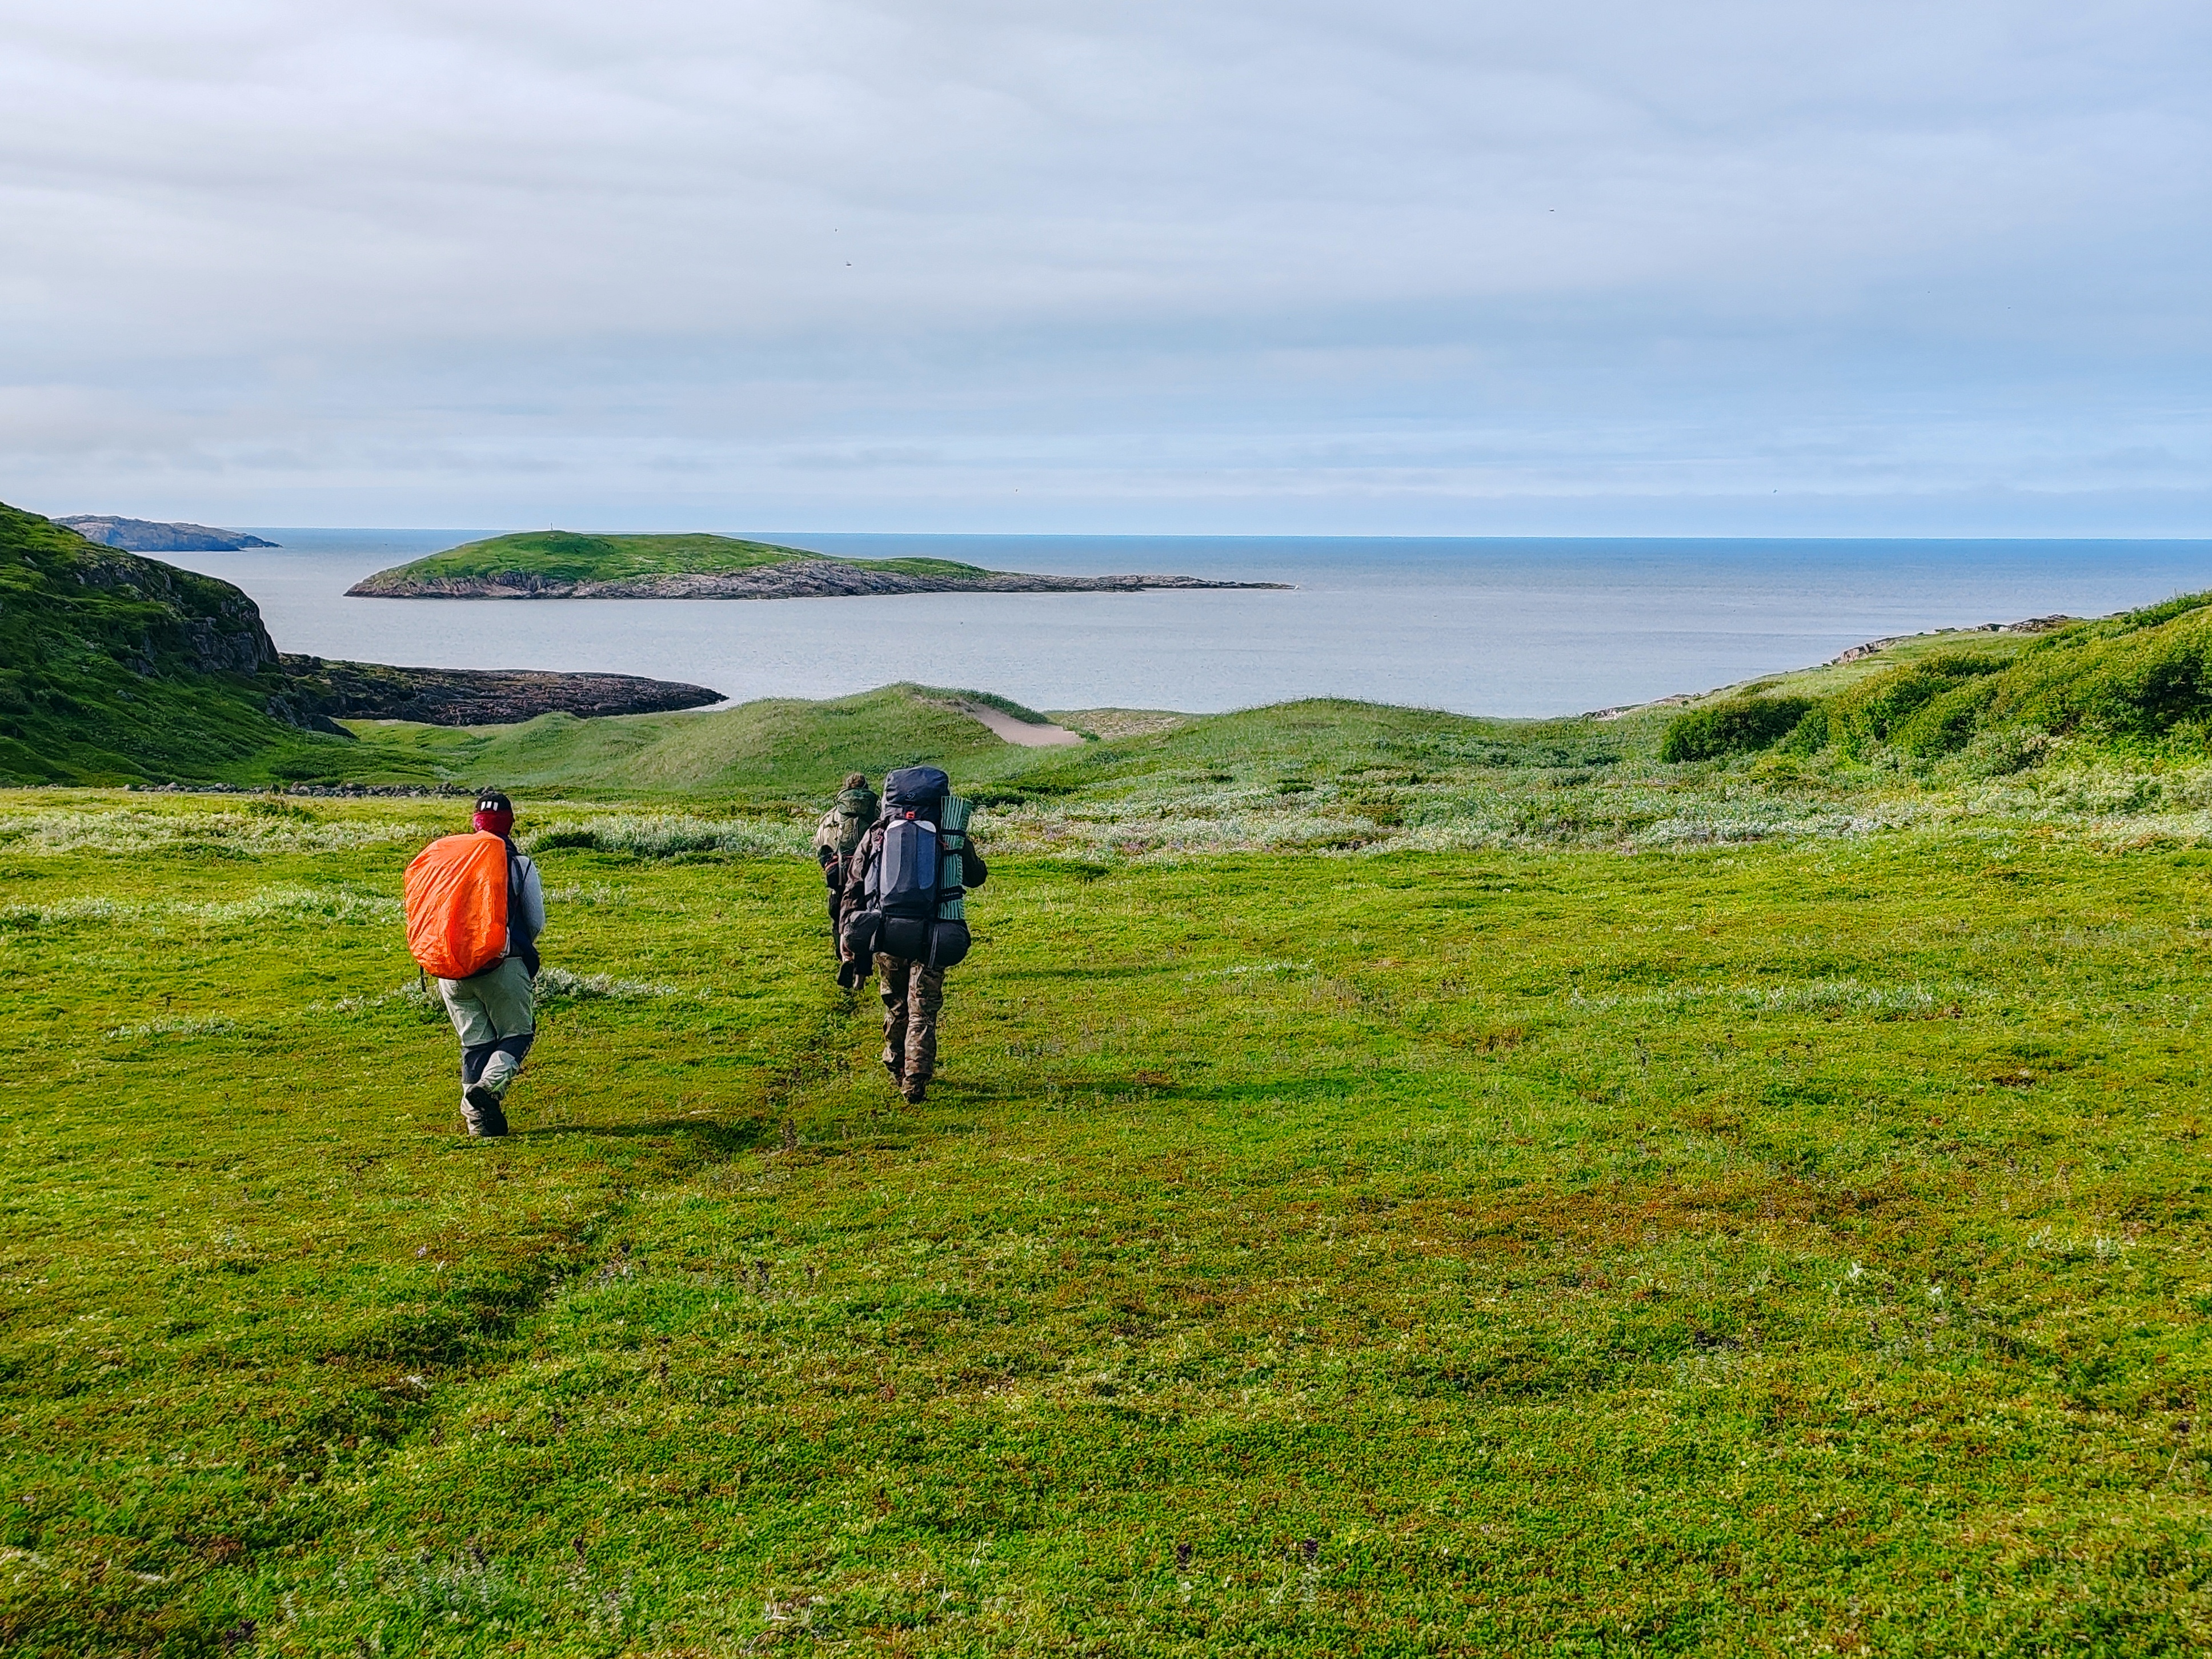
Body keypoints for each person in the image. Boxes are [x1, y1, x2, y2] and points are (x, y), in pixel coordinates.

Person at [839, 766, 986, 1104]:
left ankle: (896, 1067)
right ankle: (916, 1078)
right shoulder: (950, 833)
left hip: (888, 931)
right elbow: (976, 877)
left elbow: (855, 882)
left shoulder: (878, 832)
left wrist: (848, 932)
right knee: (923, 1009)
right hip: (935, 931)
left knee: (896, 1004)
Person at [435, 790, 545, 1137]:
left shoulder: (449, 863)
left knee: (476, 1046)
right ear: (510, 824)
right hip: (502, 963)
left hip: (449, 968)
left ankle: (480, 1125)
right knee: (518, 1035)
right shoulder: (519, 864)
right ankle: (487, 1090)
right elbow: (535, 921)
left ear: (475, 822)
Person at [812, 772, 877, 988]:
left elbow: (821, 844)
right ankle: (861, 977)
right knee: (867, 920)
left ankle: (845, 959)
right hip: (867, 876)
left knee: (840, 919)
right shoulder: (875, 812)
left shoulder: (832, 816)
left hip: (839, 877)